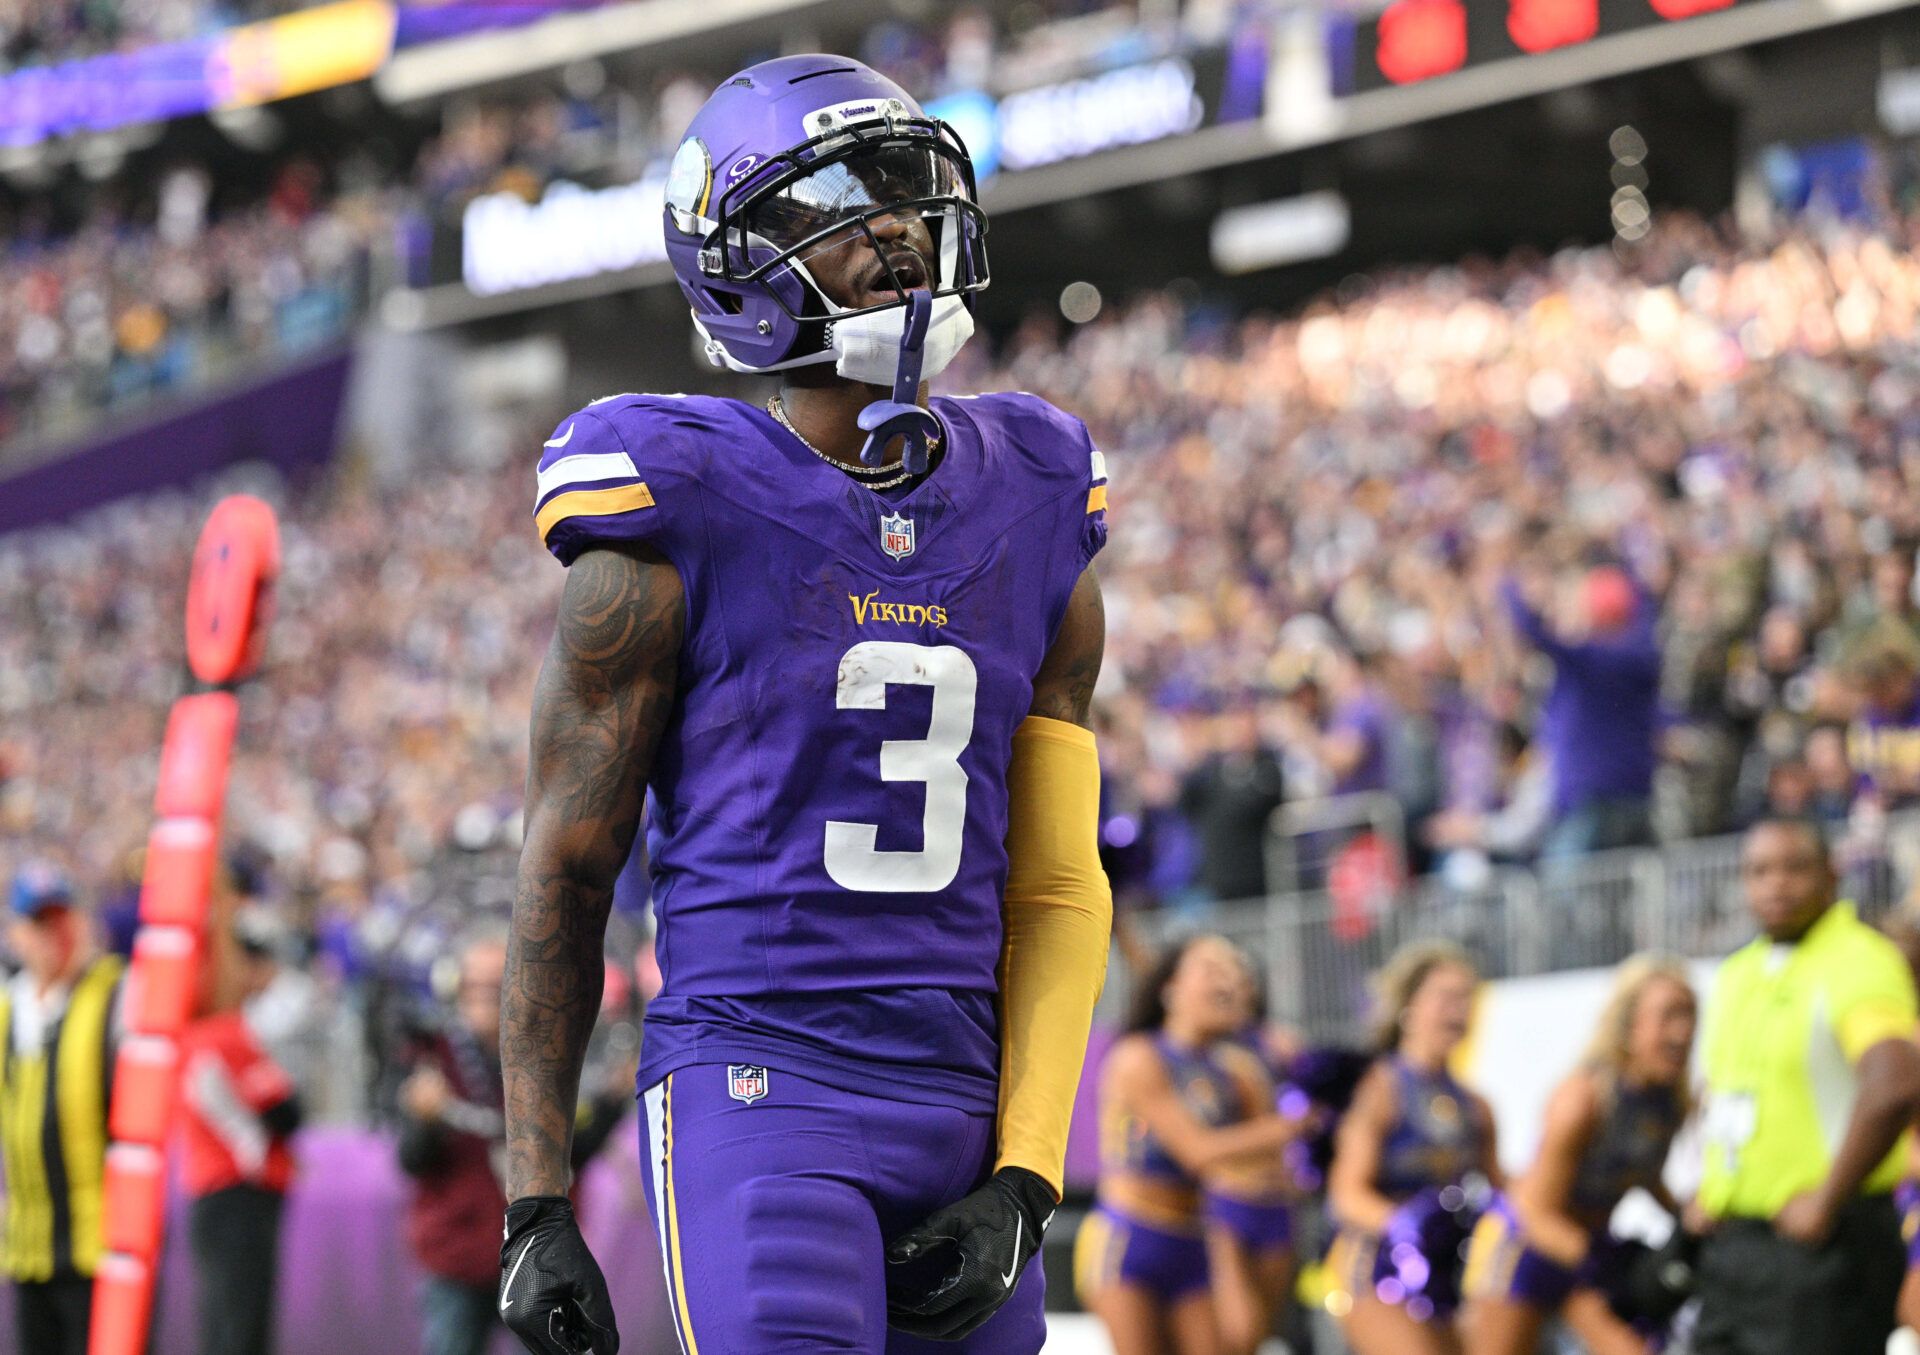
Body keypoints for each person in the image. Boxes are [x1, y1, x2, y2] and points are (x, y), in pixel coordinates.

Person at [497, 53, 1113, 1355]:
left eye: (899, 185)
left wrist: (1028, 1169)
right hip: (763, 1086)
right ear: (740, 260)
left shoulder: (1038, 488)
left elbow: (1058, 885)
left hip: (965, 1102)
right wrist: (533, 1195)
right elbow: (566, 867)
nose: (890, 222)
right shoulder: (674, 495)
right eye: (835, 197)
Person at [1693, 817, 1920, 1355]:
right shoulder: (1739, 972)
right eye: (1760, 871)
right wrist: (1715, 1188)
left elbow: (1894, 1083)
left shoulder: (1856, 960)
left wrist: (1826, 1197)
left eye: (1795, 868)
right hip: (1738, 1244)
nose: (1776, 884)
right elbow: (1731, 1092)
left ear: (1830, 876)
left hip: (1823, 1244)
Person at [1462, 954, 1697, 1355]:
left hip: (1584, 1253)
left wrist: (1688, 1220)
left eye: (1690, 1015)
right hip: (1522, 1249)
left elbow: (1641, 1174)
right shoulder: (1583, 1099)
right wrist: (1602, 1265)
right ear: (1628, 1025)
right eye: (1668, 1016)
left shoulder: (1669, 1104)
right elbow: (1534, 1211)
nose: (1682, 1031)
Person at [1075, 935, 1299, 1355]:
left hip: (1195, 1237)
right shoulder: (1138, 1056)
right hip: (1129, 1237)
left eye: (1236, 970)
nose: (1231, 979)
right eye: (1213, 969)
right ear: (1170, 989)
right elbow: (1196, 1151)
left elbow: (1265, 1165)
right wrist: (1288, 1127)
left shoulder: (1236, 1069)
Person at [1327, 941, 1500, 1355]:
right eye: (1445, 997)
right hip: (1376, 1265)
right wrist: (1409, 1226)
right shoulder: (1380, 1087)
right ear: (1409, 1007)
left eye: (1466, 999)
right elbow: (1347, 1194)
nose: (1458, 1011)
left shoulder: (1475, 1106)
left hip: (1445, 1273)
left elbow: (1502, 1191)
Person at [0, 864, 123, 1355]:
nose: (54, 936)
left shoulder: (112, 993)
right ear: (17, 933)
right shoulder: (11, 1008)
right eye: (40, 924)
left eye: (62, 919)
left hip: (99, 1243)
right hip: (28, 1245)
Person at [178, 907, 304, 1355]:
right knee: (242, 1326)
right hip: (239, 1192)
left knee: (223, 1321)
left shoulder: (192, 1033)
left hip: (212, 1192)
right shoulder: (224, 1033)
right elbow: (287, 1112)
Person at [1501, 563, 1661, 860]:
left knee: (1566, 899)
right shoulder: (1641, 653)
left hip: (1590, 802)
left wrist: (1508, 586)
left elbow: (1535, 633)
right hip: (1633, 794)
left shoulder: (1595, 657)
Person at [1204, 963, 1306, 1355]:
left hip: (1278, 1198)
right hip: (1228, 1196)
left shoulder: (1280, 1044)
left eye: (1241, 979)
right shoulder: (1205, 1049)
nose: (1233, 988)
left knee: (1259, 1333)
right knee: (1238, 1329)